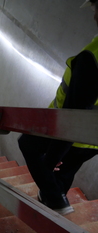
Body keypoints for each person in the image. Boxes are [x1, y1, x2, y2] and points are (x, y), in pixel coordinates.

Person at [18, 0, 98, 215]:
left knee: (27, 144)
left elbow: (74, 119)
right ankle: (55, 201)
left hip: (75, 133)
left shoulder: (91, 58)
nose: (93, 16)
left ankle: (56, 201)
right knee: (68, 168)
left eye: (95, 8)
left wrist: (51, 158)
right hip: (93, 142)